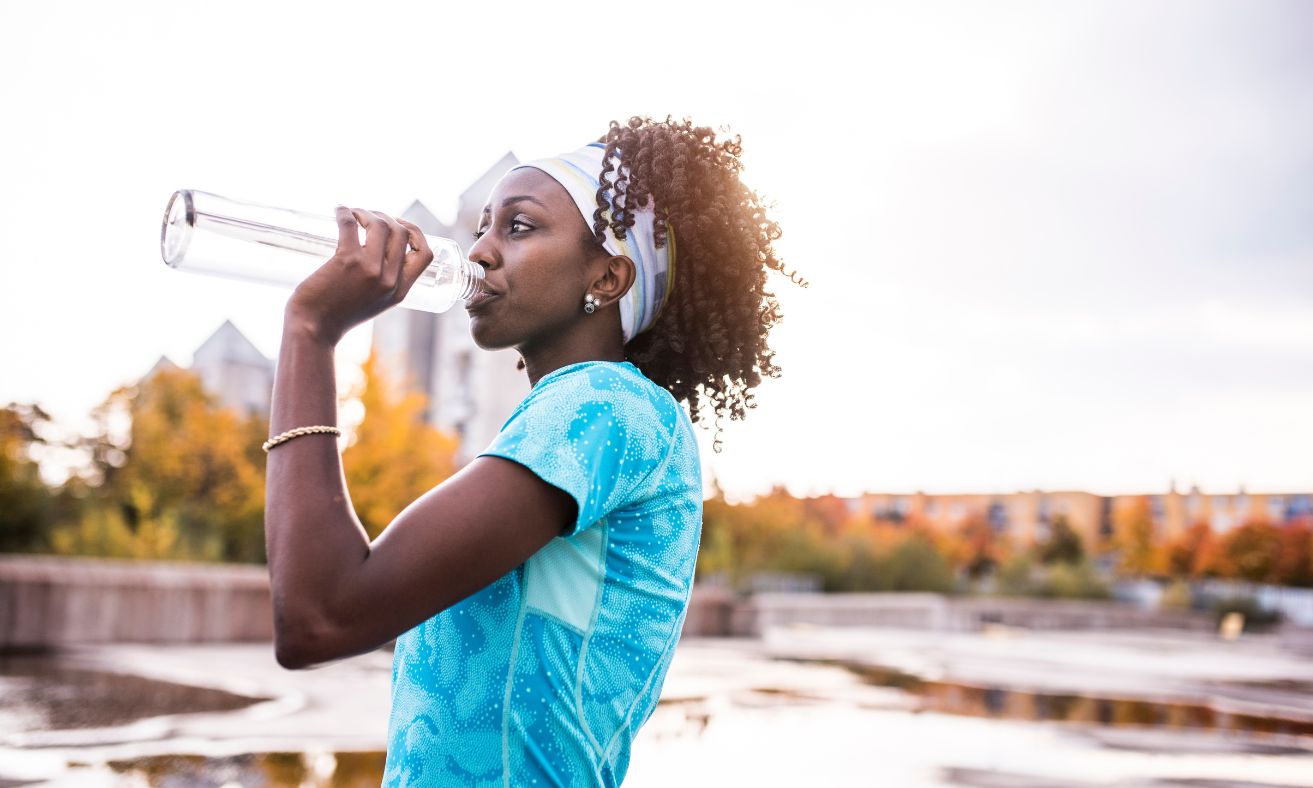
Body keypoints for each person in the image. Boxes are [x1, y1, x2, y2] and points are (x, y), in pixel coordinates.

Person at [263, 115, 804, 786]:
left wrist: (309, 332)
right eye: (481, 228)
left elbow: (321, 615)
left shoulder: (603, 408)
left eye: (518, 227)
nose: (480, 252)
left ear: (607, 279)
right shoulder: (594, 416)